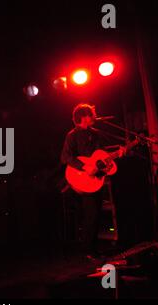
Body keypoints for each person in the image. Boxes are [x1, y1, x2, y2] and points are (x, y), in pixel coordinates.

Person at [61, 103, 105, 258]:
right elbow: (66, 157)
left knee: (97, 213)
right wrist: (84, 167)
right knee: (91, 214)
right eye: (90, 114)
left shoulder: (96, 134)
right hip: (83, 179)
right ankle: (88, 250)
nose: (93, 117)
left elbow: (100, 155)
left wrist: (119, 152)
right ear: (83, 117)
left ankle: (93, 248)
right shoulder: (72, 135)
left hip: (97, 178)